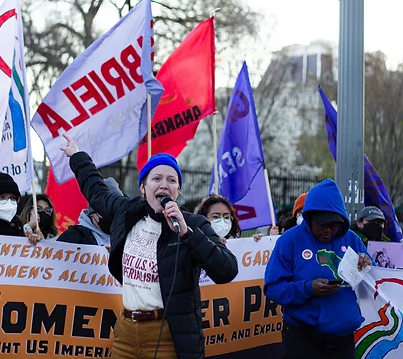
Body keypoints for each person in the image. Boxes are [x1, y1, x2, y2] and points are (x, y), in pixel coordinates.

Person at [61, 134, 238, 359]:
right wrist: (77, 155)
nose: (164, 184)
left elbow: (227, 269)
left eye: (171, 180)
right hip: (126, 331)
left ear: (177, 190)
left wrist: (187, 234)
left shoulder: (193, 224)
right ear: (143, 188)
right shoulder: (126, 211)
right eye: (156, 179)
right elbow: (96, 189)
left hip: (168, 336)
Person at [264, 179, 372, 359]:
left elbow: (374, 283)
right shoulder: (289, 241)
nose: (328, 230)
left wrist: (368, 264)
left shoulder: (352, 240)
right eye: (322, 224)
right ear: (309, 218)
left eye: (334, 225)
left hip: (344, 339)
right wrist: (308, 288)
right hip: (303, 337)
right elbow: (273, 287)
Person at [58, 177, 124, 248]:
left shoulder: (128, 240)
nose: (112, 214)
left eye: (116, 209)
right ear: (92, 213)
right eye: (106, 209)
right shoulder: (72, 238)